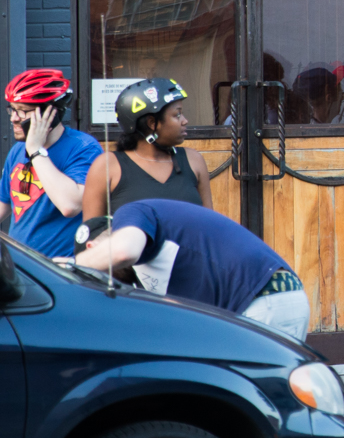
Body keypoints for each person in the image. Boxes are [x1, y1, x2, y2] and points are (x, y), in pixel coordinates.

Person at [69, 199, 311, 340]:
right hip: (269, 300)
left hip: (263, 298)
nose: (103, 276)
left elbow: (123, 251)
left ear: (94, 248)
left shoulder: (134, 213)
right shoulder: (149, 270)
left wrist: (66, 266)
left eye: (97, 265)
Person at [1, 70, 102, 257]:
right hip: (21, 265)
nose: (14, 118)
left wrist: (36, 150)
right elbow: (3, 203)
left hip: (59, 268)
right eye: (12, 109)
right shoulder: (17, 150)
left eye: (23, 110)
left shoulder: (83, 148)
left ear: (51, 113)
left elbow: (70, 205)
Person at [82, 78, 212, 219]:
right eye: (177, 115)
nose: (185, 121)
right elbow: (92, 229)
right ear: (152, 123)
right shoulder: (107, 165)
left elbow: (211, 223)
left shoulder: (193, 160)